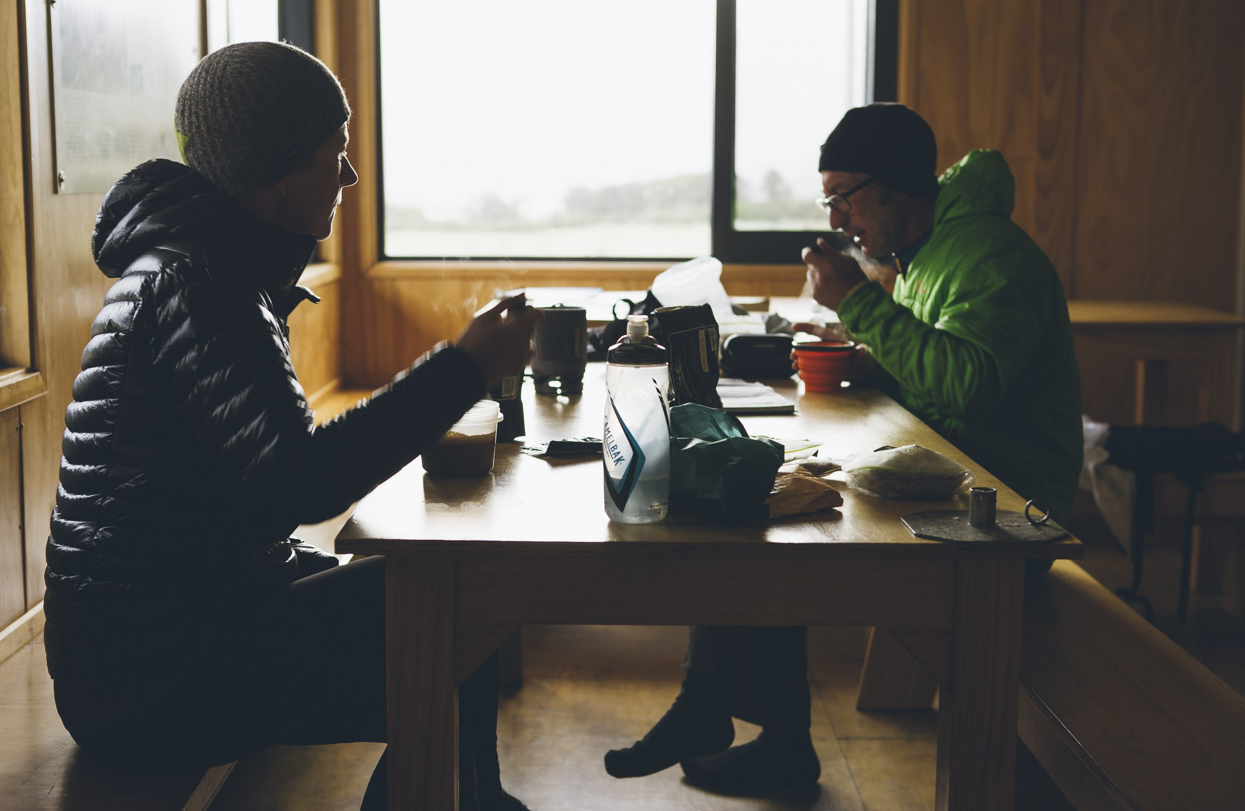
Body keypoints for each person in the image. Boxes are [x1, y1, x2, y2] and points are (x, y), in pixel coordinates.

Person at [43, 41, 540, 811]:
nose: (347, 177)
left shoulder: (202, 267)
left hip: (151, 644)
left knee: (437, 600)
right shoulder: (200, 283)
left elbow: (243, 501)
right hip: (146, 683)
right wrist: (464, 366)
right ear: (275, 173)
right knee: (454, 603)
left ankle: (465, 797)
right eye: (333, 155)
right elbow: (302, 481)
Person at [603, 102, 1083, 795]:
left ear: (890, 186)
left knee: (760, 522)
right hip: (943, 483)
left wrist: (858, 301)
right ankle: (744, 720)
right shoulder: (926, 253)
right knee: (754, 491)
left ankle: (742, 720)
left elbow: (971, 387)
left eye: (841, 198)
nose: (835, 220)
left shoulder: (988, 256)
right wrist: (870, 361)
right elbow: (947, 375)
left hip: (1001, 517)